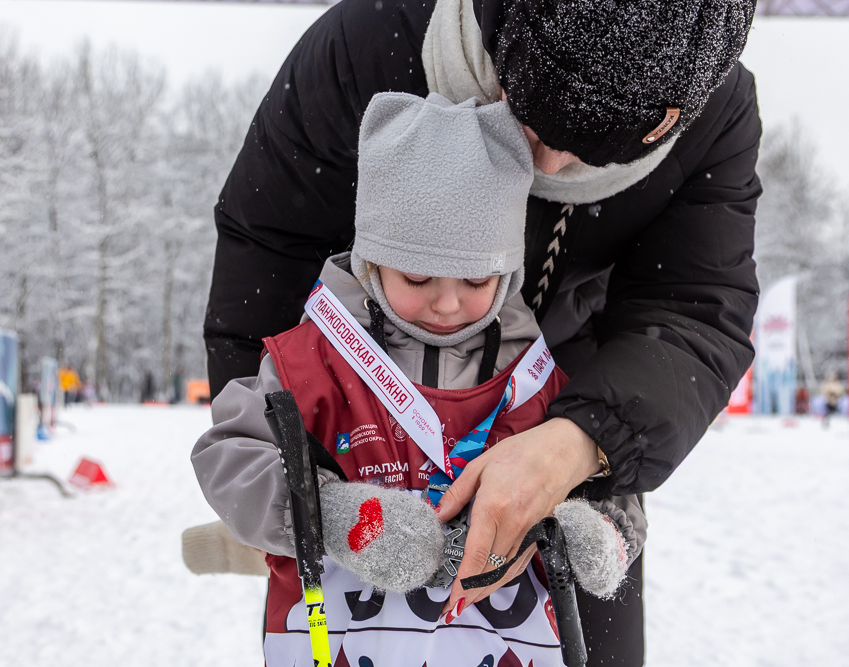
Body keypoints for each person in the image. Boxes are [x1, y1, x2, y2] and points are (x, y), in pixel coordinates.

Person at [204, 0, 760, 661]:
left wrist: (583, 447)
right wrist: (306, 502)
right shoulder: (368, 44)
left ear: (670, 116)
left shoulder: (714, 110)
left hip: (575, 400)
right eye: (531, 116)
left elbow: (694, 304)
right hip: (359, 441)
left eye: (589, 148)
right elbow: (264, 264)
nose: (547, 170)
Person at [192, 93, 646, 666]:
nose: (449, 303)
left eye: (478, 279)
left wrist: (592, 534)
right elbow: (228, 456)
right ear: (370, 260)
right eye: (417, 275)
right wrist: (334, 515)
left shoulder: (540, 380)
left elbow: (616, 492)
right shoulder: (311, 364)